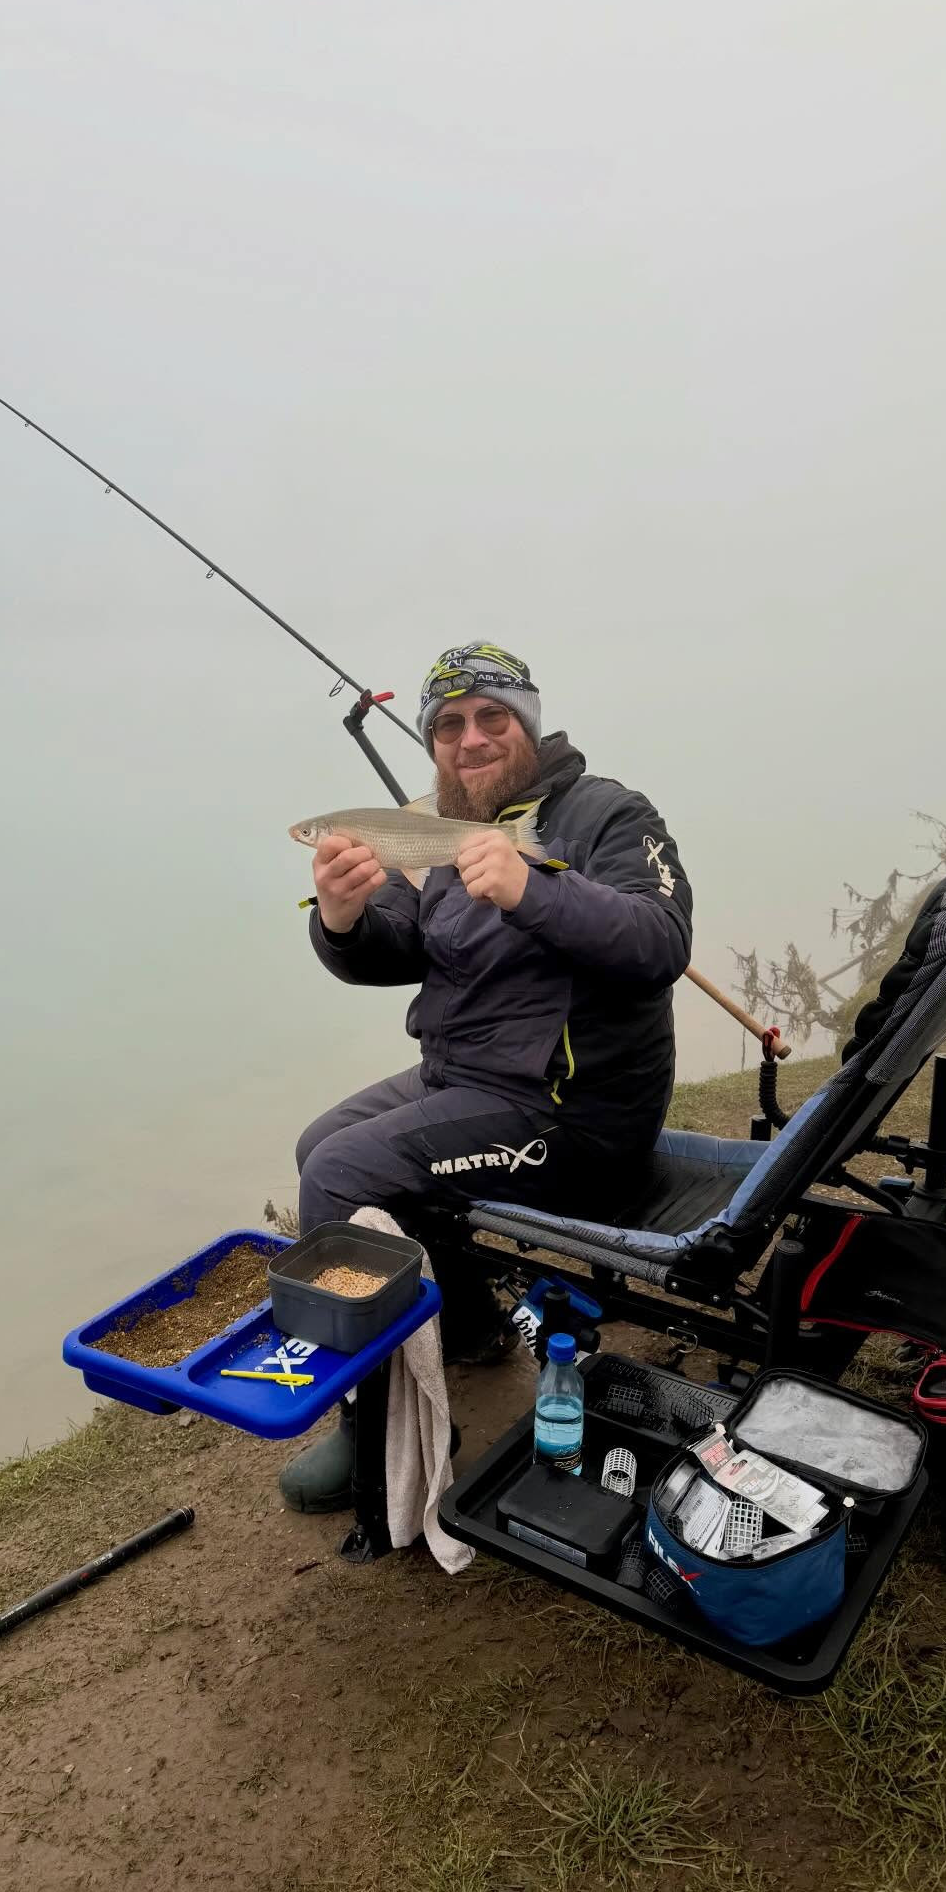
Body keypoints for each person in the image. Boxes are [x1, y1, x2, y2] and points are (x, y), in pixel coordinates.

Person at [280, 641, 693, 1513]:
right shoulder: (435, 826)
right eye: (449, 726)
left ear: (527, 725)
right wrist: (342, 920)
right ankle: (469, 1327)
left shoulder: (609, 813)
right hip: (465, 1081)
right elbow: (396, 948)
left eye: (492, 717)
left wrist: (531, 888)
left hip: (572, 1114)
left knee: (341, 1174)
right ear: (434, 743)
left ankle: (373, 1429)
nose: (471, 739)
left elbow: (661, 943)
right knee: (319, 1143)